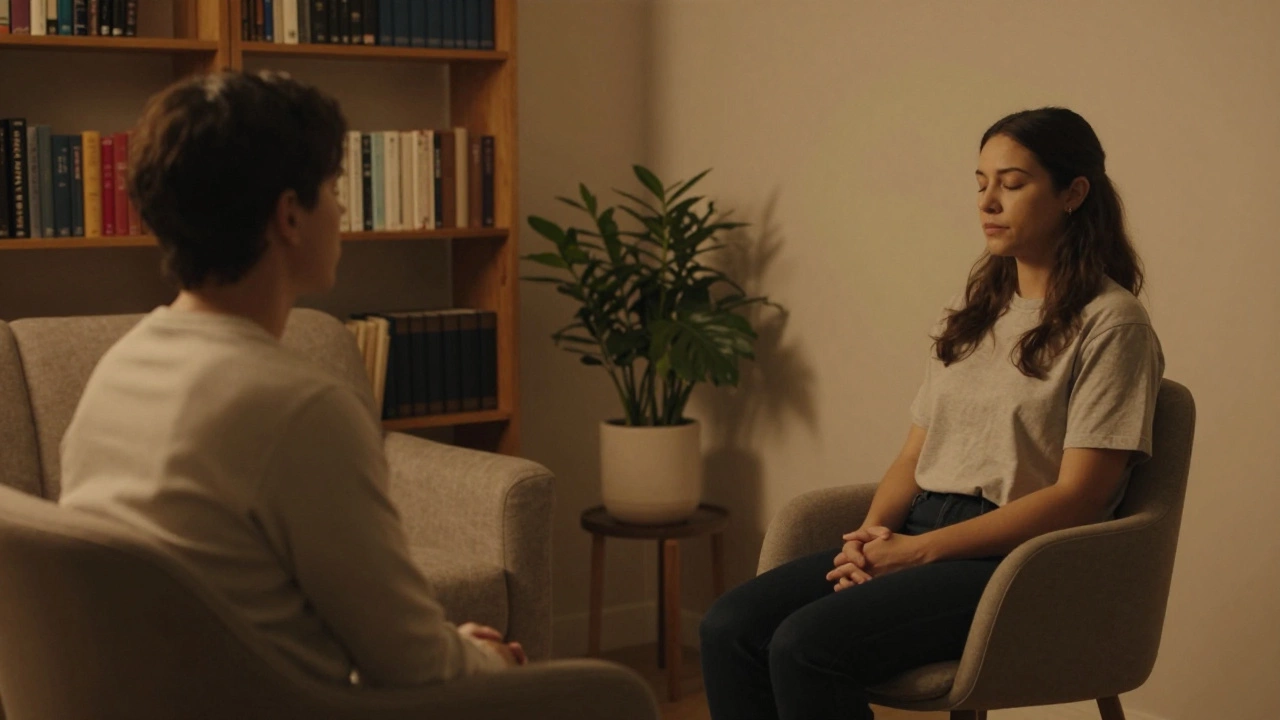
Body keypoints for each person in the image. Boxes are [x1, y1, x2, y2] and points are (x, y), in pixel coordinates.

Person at [57, 70, 525, 688]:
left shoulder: (118, 370)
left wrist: (441, 646)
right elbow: (414, 668)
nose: (341, 209)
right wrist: (485, 659)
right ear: (290, 217)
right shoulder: (299, 408)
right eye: (331, 188)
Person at [699, 107, 1164, 720]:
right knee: (728, 627)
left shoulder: (1112, 323)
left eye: (1013, 183)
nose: (988, 201)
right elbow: (915, 453)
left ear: (1073, 193)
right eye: (980, 183)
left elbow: (1081, 496)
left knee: (805, 646)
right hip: (923, 527)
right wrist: (867, 540)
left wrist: (922, 553)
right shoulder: (975, 310)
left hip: (1020, 564)